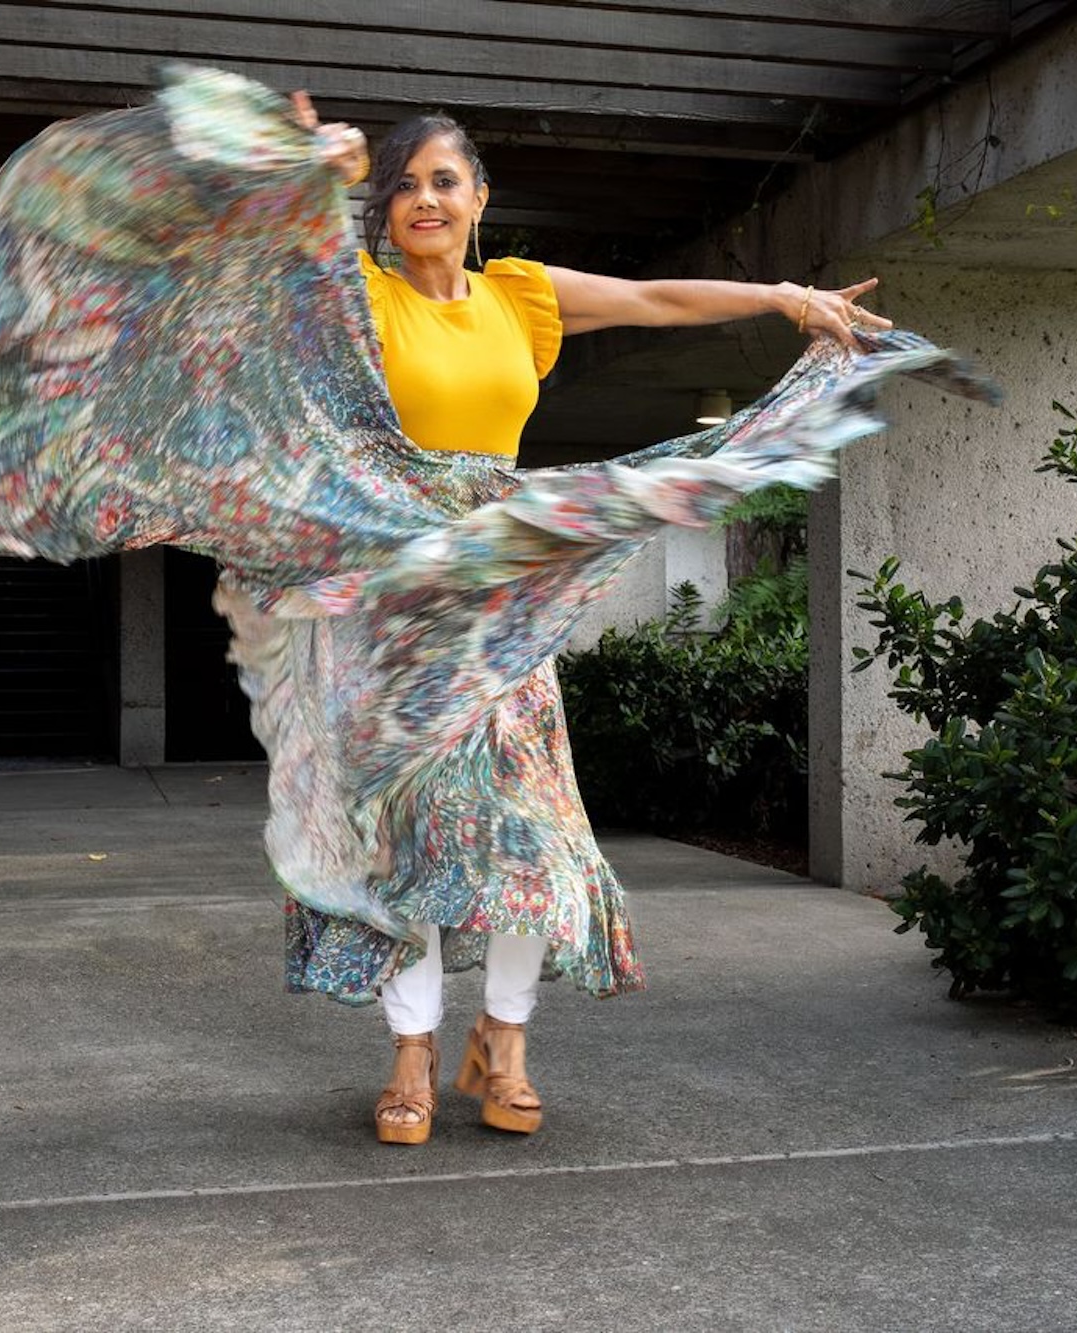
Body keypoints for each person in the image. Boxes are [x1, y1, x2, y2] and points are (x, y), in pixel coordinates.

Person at [289, 95, 892, 1146]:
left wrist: (784, 296)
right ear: (379, 209)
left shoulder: (516, 296)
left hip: (508, 598)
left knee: (531, 835)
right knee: (401, 843)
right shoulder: (354, 300)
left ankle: (505, 1043)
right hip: (389, 601)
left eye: (443, 179)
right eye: (402, 183)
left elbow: (653, 297)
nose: (423, 199)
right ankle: (413, 1056)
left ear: (480, 198)